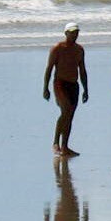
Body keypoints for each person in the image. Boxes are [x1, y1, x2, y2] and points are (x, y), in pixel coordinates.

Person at [42, 22, 89, 156]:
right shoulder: (57, 48)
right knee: (66, 110)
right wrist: (45, 88)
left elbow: (83, 70)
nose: (75, 35)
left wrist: (86, 89)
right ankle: (56, 142)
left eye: (76, 33)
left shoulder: (79, 49)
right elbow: (49, 68)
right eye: (72, 32)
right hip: (60, 84)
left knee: (70, 115)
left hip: (74, 85)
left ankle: (65, 146)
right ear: (66, 33)